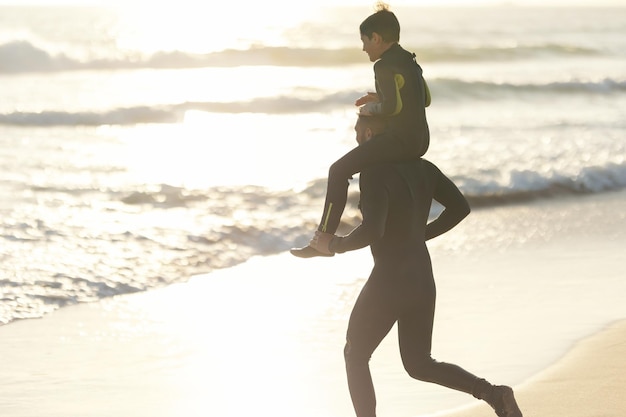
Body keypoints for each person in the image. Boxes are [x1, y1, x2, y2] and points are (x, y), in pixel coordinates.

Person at [327, 115, 524, 417]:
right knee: (419, 363)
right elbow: (460, 207)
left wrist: (333, 245)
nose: (355, 141)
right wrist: (422, 234)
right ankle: (495, 394)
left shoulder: (374, 173)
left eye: (357, 132)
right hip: (421, 277)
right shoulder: (424, 169)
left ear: (369, 133)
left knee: (355, 355)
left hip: (390, 280)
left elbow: (372, 231)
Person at [291, 2, 431, 258]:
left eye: (365, 40)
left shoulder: (383, 65)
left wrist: (373, 108)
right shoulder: (410, 60)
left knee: (338, 170)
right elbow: (424, 99)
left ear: (376, 38)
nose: (363, 47)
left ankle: (322, 240)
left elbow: (390, 108)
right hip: (421, 141)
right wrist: (384, 96)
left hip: (399, 141)